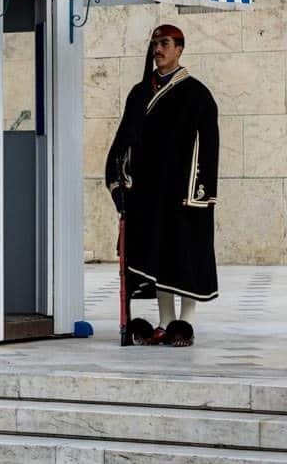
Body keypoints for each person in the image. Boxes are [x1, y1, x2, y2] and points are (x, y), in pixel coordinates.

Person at [105, 24, 219, 347]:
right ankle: (165, 321)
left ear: (180, 49)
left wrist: (199, 192)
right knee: (157, 258)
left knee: (185, 256)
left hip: (183, 196)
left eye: (165, 43)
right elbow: (125, 138)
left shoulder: (197, 95)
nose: (158, 49)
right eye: (155, 43)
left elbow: (207, 146)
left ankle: (186, 323)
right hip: (148, 196)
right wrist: (119, 177)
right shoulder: (140, 93)